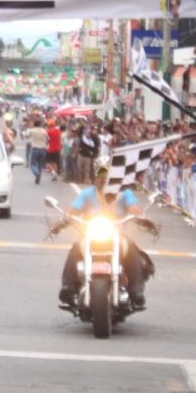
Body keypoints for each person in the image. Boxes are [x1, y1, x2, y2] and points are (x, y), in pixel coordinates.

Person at [57, 161, 158, 309]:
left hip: (117, 235)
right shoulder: (87, 194)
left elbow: (133, 207)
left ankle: (136, 290)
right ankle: (68, 287)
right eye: (100, 175)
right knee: (76, 248)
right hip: (91, 234)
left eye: (107, 175)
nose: (103, 179)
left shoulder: (124, 193)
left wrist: (141, 216)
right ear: (95, 177)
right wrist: (65, 218)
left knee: (131, 249)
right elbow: (74, 209)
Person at [26, 118, 49, 184]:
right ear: (40, 124)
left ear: (34, 124)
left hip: (35, 149)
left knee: (32, 164)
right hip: (43, 149)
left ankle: (37, 173)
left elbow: (27, 136)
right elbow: (48, 139)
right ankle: (39, 176)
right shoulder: (44, 131)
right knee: (40, 165)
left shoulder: (32, 130)